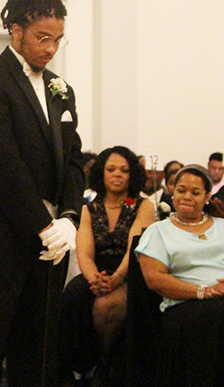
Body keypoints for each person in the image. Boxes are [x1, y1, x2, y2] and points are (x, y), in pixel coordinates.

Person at [0, 0, 84, 387]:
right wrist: (43, 224)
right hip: (0, 237)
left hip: (50, 241)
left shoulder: (60, 89)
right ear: (16, 31)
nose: (50, 48)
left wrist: (68, 219)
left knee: (38, 350)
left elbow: (73, 159)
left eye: (57, 40)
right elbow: (1, 167)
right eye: (42, 38)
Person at [135, 165, 224, 387]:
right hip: (187, 303)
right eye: (181, 190)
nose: (187, 196)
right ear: (172, 192)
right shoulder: (158, 231)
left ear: (207, 197)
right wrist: (204, 291)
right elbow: (154, 278)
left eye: (195, 192)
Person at [59, 146, 156, 385]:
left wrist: (115, 279)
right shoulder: (89, 208)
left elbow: (135, 248)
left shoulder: (143, 206)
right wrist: (96, 279)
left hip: (131, 271)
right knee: (71, 294)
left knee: (108, 305)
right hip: (97, 272)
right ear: (101, 173)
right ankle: (69, 367)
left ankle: (105, 366)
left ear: (132, 175)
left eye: (124, 170)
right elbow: (84, 252)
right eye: (111, 169)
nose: (117, 174)